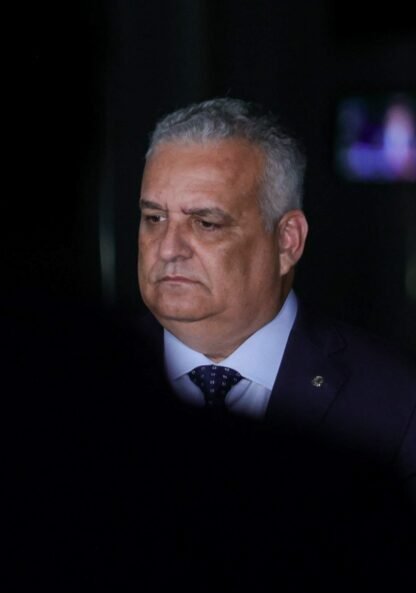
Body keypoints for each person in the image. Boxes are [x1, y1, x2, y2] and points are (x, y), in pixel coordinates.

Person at [137, 97, 416, 491]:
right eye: (154, 218)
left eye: (205, 223)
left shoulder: (395, 402)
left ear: (287, 241)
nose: (168, 248)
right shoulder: (77, 379)